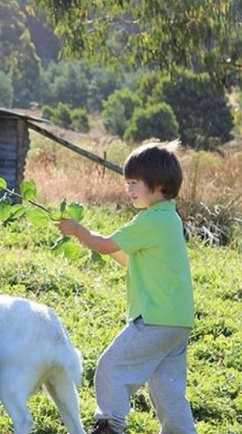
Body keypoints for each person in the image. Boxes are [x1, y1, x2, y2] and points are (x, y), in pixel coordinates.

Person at [55, 141, 196, 434]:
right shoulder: (169, 218)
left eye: (133, 183)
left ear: (157, 185)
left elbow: (106, 245)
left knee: (111, 367)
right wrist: (92, 242)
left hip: (154, 319)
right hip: (177, 323)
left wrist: (79, 231)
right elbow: (125, 258)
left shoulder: (151, 220)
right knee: (168, 393)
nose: (128, 190)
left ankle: (109, 425)